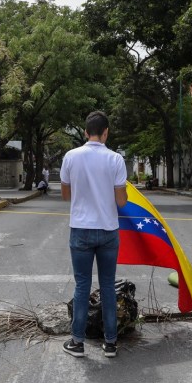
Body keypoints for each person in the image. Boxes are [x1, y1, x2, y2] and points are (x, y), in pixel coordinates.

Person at [60, 111, 128, 358]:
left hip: (80, 230)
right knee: (108, 286)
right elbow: (121, 201)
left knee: (82, 286)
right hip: (108, 231)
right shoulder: (116, 160)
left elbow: (66, 195)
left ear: (85, 131)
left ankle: (77, 342)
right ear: (106, 132)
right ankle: (110, 343)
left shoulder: (71, 157)